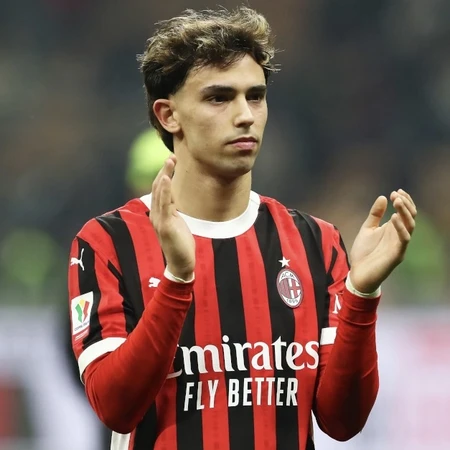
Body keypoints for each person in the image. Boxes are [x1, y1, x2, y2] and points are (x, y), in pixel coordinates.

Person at [67, 6, 417, 450]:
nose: (245, 115)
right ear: (168, 115)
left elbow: (342, 421)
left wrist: (361, 296)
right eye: (219, 98)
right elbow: (114, 406)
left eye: (255, 96)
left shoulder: (316, 242)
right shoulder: (107, 242)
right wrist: (177, 279)